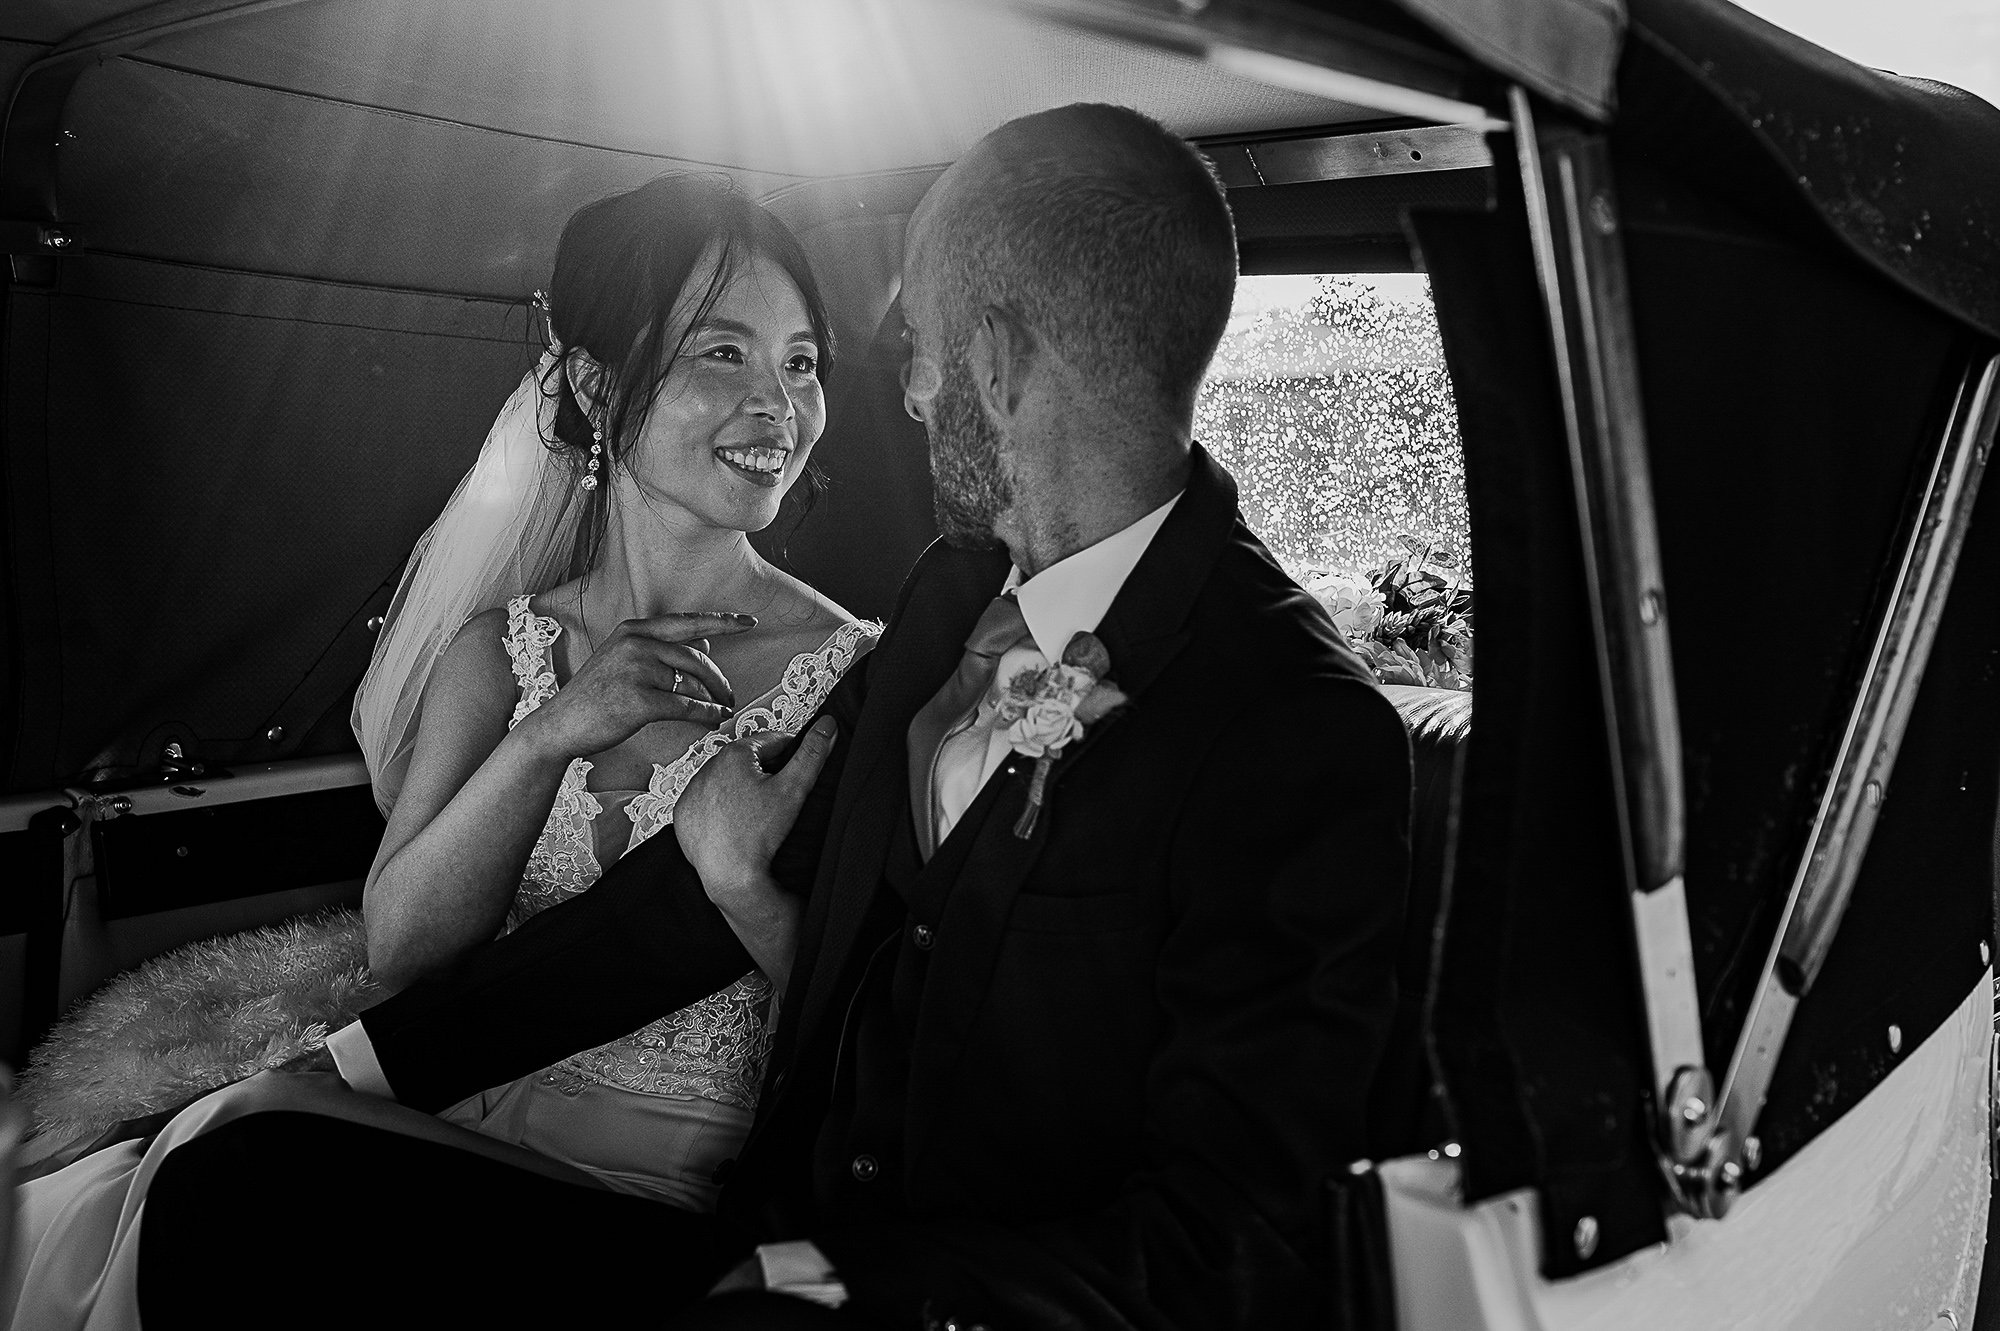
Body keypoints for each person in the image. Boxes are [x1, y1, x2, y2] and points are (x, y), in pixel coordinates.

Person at [132, 103, 1413, 1331]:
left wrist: (802, 1289)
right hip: (765, 1223)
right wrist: (357, 1073)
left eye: (913, 344)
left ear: (1005, 362)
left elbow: (1236, 1239)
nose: (899, 395)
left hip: (916, 1285)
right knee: (233, 1183)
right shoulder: (951, 599)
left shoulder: (1289, 722)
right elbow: (669, 914)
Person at [2, 174, 877, 1330]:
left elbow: (890, 1025)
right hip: (456, 1106)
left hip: (682, 1181)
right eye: (724, 353)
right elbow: (405, 940)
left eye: (802, 361)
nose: (778, 405)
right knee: (210, 1145)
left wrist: (739, 885)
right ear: (596, 381)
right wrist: (552, 733)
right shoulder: (501, 649)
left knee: (239, 1160)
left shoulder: (853, 671)